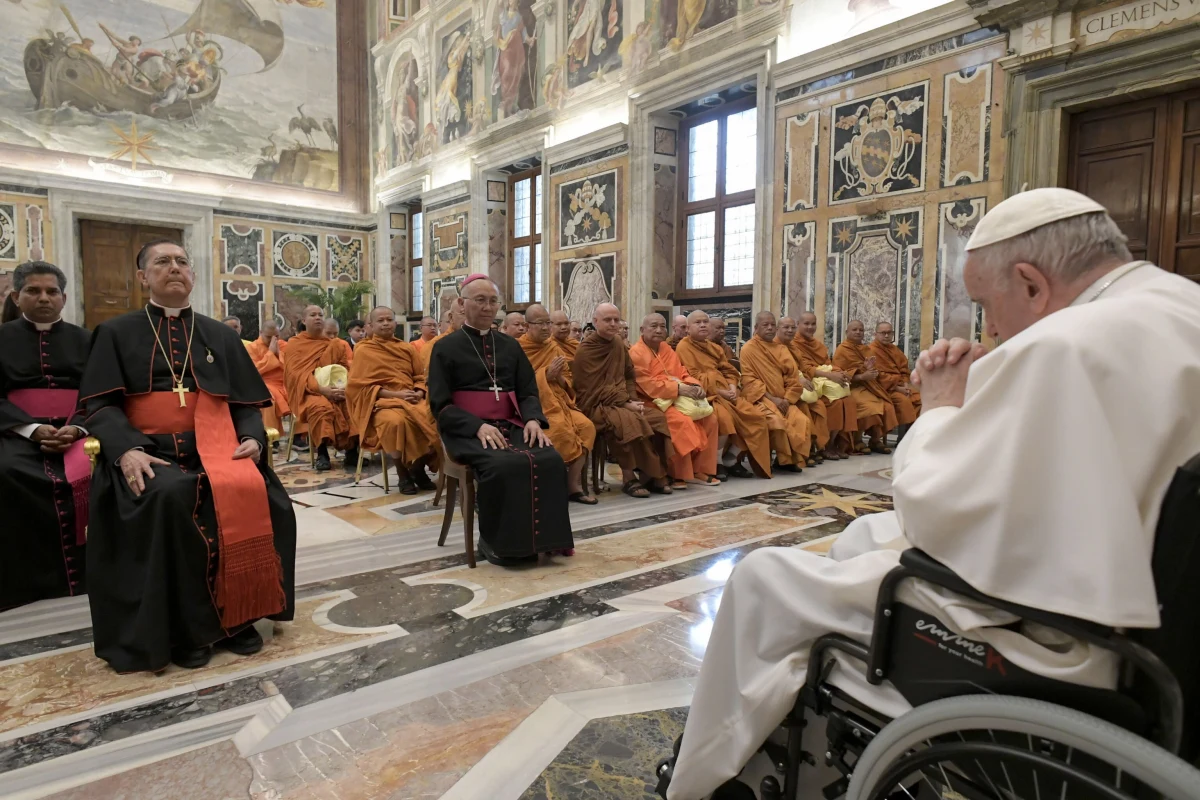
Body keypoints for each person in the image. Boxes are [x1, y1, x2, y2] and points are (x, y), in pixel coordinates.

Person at [664, 188, 1200, 798]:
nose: (991, 328)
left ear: (1030, 284)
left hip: (1061, 646)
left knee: (762, 578)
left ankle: (703, 777)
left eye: (985, 305)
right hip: (1160, 619)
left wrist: (942, 407)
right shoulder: (1180, 303)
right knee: (863, 533)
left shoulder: (1065, 344)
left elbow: (932, 507)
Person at [79, 240, 295, 673]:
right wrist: (126, 452)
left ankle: (238, 618)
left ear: (192, 275)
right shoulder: (116, 333)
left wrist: (253, 438)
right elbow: (99, 406)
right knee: (170, 498)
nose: (174, 268)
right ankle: (187, 630)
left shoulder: (219, 335)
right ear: (144, 278)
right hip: (150, 453)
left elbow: (246, 404)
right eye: (162, 262)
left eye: (181, 262)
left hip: (216, 447)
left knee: (265, 496)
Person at [426, 275, 573, 564]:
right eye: (480, 300)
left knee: (550, 458)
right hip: (466, 429)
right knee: (503, 464)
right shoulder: (444, 347)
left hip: (511, 424)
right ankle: (496, 543)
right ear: (461, 303)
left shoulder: (510, 346)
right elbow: (440, 405)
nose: (488, 307)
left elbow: (528, 391)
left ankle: (547, 541)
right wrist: (476, 425)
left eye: (493, 301)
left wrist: (532, 420)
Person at [0, 261, 92, 611]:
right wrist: (32, 428)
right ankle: (30, 581)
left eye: (52, 292)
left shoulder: (88, 339)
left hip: (79, 431)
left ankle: (93, 574)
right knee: (7, 472)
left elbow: (100, 392)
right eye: (33, 291)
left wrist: (78, 426)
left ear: (64, 298)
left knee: (105, 470)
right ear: (16, 296)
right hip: (16, 431)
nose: (43, 298)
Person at [574, 303, 674, 498]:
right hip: (595, 405)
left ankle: (649, 474)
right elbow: (590, 389)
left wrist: (633, 400)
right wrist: (626, 404)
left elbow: (629, 376)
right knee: (627, 421)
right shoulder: (586, 349)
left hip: (622, 401)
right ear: (595, 322)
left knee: (657, 418)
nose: (613, 324)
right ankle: (629, 477)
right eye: (607, 320)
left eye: (616, 320)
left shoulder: (619, 344)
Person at [346, 307, 439, 495]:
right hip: (382, 402)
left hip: (412, 399)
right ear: (371, 326)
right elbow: (359, 387)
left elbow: (419, 377)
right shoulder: (364, 350)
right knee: (394, 423)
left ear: (395, 323)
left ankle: (418, 468)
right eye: (380, 321)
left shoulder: (406, 348)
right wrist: (397, 395)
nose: (386, 323)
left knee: (435, 420)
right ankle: (402, 472)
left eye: (389, 319)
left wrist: (419, 393)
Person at [628, 313, 720, 487]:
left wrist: (694, 385)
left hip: (678, 397)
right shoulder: (636, 353)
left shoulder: (666, 349)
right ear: (642, 330)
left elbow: (682, 372)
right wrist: (678, 389)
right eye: (654, 326)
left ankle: (701, 469)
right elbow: (648, 385)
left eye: (662, 326)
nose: (659, 330)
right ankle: (678, 473)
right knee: (681, 421)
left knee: (711, 419)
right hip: (652, 401)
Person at [676, 311, 771, 479]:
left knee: (757, 417)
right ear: (688, 328)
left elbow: (728, 370)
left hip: (726, 392)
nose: (703, 325)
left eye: (705, 321)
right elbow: (692, 377)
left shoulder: (714, 348)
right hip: (706, 395)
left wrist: (733, 388)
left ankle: (731, 459)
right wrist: (721, 392)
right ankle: (717, 462)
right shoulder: (684, 346)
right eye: (698, 322)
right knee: (724, 418)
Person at [518, 304, 597, 504]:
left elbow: (567, 379)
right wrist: (545, 375)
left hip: (559, 400)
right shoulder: (518, 348)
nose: (546, 328)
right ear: (527, 326)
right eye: (541, 324)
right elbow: (516, 382)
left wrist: (559, 378)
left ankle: (573, 485)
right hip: (534, 405)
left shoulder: (552, 347)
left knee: (586, 427)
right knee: (558, 429)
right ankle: (548, 486)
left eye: (547, 323)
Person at [284, 305, 358, 472]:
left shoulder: (336, 345)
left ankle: (352, 452)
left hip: (334, 387)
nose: (317, 317)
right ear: (304, 321)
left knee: (352, 404)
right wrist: (322, 390)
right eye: (312, 315)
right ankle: (322, 453)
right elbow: (297, 375)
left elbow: (343, 369)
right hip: (308, 391)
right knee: (321, 408)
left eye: (320, 315)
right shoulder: (295, 344)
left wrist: (341, 388)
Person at [739, 312, 812, 472]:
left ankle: (787, 460)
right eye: (765, 325)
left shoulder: (781, 349)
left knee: (801, 420)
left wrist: (786, 399)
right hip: (761, 399)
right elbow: (749, 381)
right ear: (756, 328)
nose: (770, 328)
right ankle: (782, 458)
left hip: (784, 400)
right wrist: (773, 399)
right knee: (777, 422)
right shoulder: (748, 349)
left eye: (772, 324)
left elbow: (792, 377)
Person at [787, 311, 857, 460]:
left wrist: (840, 372)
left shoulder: (818, 345)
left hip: (824, 379)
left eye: (813, 324)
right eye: (806, 324)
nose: (810, 327)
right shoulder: (793, 344)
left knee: (849, 400)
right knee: (834, 403)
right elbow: (805, 368)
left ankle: (836, 442)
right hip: (809, 382)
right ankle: (826, 445)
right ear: (798, 325)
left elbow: (828, 364)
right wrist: (831, 375)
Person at [834, 319, 899, 453]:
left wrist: (869, 370)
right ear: (847, 332)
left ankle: (875, 440)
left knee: (886, 405)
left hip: (870, 386)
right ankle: (858, 441)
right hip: (850, 387)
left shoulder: (866, 349)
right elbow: (840, 374)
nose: (858, 332)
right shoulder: (842, 350)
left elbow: (875, 372)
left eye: (861, 330)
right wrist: (863, 375)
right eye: (855, 329)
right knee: (870, 407)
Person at [775, 316, 830, 462]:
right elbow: (774, 373)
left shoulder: (793, 347)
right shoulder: (773, 347)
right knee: (803, 407)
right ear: (777, 329)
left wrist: (803, 377)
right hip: (782, 390)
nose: (790, 330)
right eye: (786, 327)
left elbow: (803, 368)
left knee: (819, 406)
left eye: (792, 327)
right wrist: (797, 379)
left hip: (798, 388)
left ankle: (818, 446)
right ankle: (805, 451)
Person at [870, 321, 922, 427]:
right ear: (875, 334)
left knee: (921, 400)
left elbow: (904, 369)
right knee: (904, 402)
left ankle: (913, 435)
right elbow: (877, 376)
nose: (886, 335)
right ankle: (902, 439)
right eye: (883, 333)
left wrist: (905, 385)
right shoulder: (871, 350)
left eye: (889, 333)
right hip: (884, 389)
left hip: (901, 386)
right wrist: (898, 389)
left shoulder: (894, 350)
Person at [244, 319, 290, 434]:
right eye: (269, 337)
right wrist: (270, 353)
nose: (273, 341)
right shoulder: (251, 348)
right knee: (268, 400)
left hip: (286, 385)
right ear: (261, 332)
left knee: (302, 395)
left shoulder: (284, 346)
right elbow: (254, 370)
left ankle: (300, 437)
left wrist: (279, 354)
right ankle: (271, 435)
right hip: (264, 384)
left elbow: (292, 369)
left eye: (276, 336)